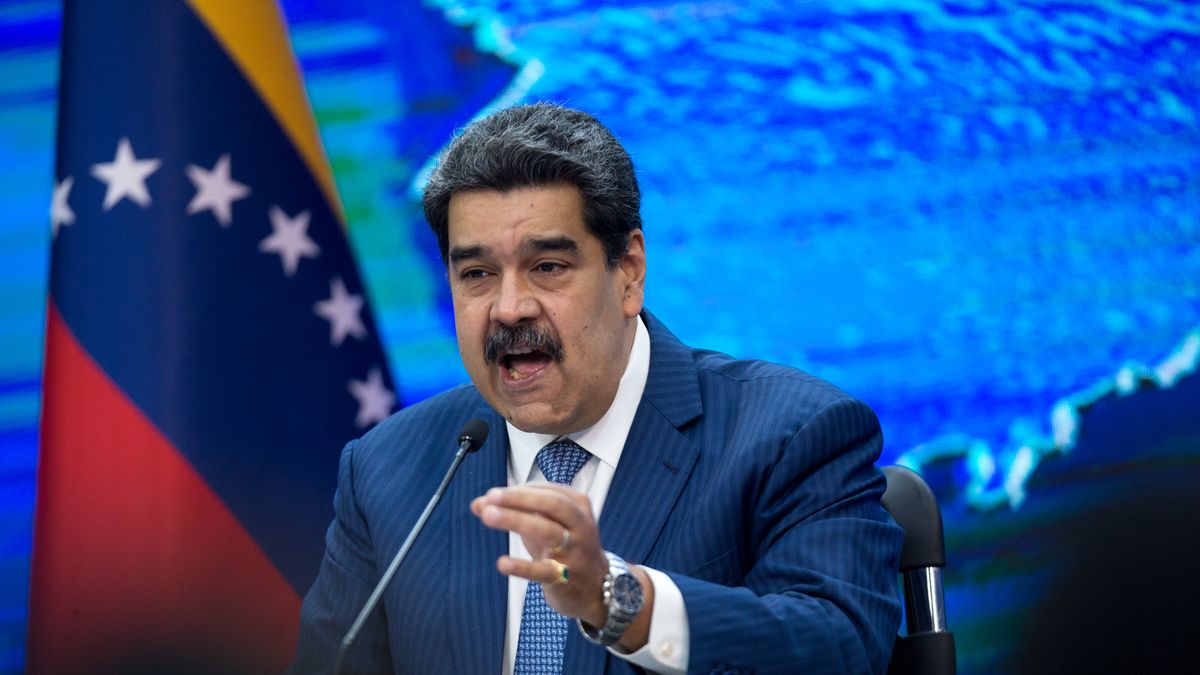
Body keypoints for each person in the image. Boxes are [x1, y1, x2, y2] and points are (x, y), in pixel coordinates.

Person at [289, 103, 902, 674]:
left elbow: (843, 643)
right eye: (476, 274)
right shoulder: (389, 469)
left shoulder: (790, 434)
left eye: (548, 267)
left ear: (629, 272)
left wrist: (619, 600)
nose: (508, 308)